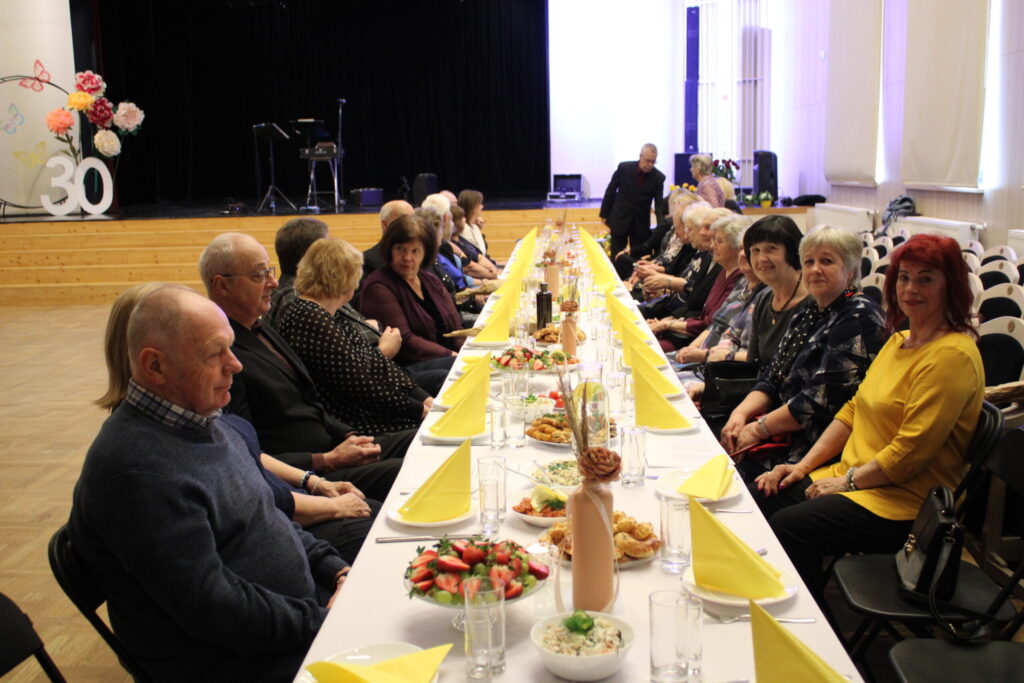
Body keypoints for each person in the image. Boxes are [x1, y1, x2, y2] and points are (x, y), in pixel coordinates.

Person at [69, 285, 346, 682]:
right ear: (155, 367)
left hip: (294, 622)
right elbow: (213, 609)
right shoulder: (135, 472)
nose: (236, 365)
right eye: (215, 354)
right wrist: (320, 622)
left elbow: (265, 516)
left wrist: (335, 569)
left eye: (231, 348)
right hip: (233, 661)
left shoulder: (203, 420)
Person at [752, 233, 984, 603]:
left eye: (926, 279)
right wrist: (802, 467)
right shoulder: (899, 341)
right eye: (904, 277)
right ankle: (775, 605)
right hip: (861, 477)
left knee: (789, 527)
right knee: (763, 495)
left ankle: (810, 632)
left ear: (950, 286)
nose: (911, 289)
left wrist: (846, 482)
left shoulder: (952, 356)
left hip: (903, 500)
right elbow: (853, 410)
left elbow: (909, 455)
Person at [97, 283, 379, 565]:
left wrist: (315, 486)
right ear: (151, 358)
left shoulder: (196, 414)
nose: (234, 364)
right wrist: (326, 495)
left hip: (292, 519)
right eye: (212, 351)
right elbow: (257, 511)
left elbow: (256, 480)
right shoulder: (151, 451)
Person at [201, 232, 414, 502]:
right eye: (259, 275)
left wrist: (349, 435)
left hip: (336, 444)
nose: (273, 282)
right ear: (222, 286)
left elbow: (311, 402)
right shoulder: (225, 355)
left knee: (425, 441)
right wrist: (325, 460)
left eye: (270, 271)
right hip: (308, 471)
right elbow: (249, 447)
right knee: (414, 471)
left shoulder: (261, 326)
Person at [720, 227, 886, 481]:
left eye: (827, 261)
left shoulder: (859, 316)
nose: (815, 269)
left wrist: (757, 429)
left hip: (815, 447)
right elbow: (772, 375)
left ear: (850, 270)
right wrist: (740, 415)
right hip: (780, 431)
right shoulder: (810, 309)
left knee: (726, 481)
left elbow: (817, 403)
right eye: (809, 261)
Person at [267, 217, 449, 397]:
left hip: (379, 367)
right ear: (314, 255)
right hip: (371, 380)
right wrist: (383, 351)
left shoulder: (318, 294)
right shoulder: (299, 303)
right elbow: (341, 371)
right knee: (448, 376)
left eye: (415, 251)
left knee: (460, 366)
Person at [278, 238, 433, 434]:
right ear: (344, 278)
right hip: (351, 424)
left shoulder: (327, 311)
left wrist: (425, 399)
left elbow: (378, 363)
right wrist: (420, 411)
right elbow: (361, 386)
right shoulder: (310, 317)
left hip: (363, 411)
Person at [359, 215, 465, 365]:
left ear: (425, 254)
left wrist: (468, 350)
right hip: (411, 369)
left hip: (447, 360)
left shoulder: (431, 281)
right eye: (400, 249)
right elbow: (405, 341)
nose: (407, 257)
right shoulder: (378, 287)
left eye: (415, 251)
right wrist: (452, 356)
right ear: (390, 250)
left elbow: (456, 328)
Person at [649, 213, 750, 350]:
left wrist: (667, 325)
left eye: (719, 241)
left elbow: (710, 324)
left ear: (736, 248)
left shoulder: (739, 278)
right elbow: (703, 315)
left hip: (700, 343)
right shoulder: (723, 272)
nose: (712, 246)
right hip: (691, 336)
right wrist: (669, 321)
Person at [674, 248, 763, 363]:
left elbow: (750, 354)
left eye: (719, 241)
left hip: (721, 368)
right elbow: (715, 324)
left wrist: (704, 355)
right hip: (705, 357)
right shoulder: (743, 282)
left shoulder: (763, 295)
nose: (742, 254)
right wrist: (692, 348)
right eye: (741, 248)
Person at [600, 143, 667, 257]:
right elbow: (611, 190)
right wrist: (604, 214)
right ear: (640, 156)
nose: (650, 164)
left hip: (641, 223)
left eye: (653, 162)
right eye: (647, 160)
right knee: (617, 256)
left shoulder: (658, 178)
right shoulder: (624, 168)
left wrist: (661, 226)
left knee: (639, 257)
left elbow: (658, 205)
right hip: (620, 218)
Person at [361, 199, 414, 285]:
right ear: (385, 225)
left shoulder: (421, 255)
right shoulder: (368, 261)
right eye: (404, 220)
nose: (412, 225)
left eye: (413, 220)